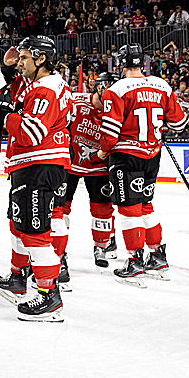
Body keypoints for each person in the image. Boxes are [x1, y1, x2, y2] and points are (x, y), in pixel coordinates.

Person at [0, 36, 72, 321]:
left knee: (35, 232)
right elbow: (21, 97)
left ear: (41, 59)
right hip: (37, 165)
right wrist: (7, 78)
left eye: (24, 58)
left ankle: (50, 298)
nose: (20, 63)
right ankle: (20, 279)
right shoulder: (47, 85)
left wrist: (4, 116)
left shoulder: (45, 91)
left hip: (40, 165)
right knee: (20, 225)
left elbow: (30, 133)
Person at [97, 44, 188, 286]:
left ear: (121, 64)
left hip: (126, 155)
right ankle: (157, 256)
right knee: (146, 205)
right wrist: (158, 129)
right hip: (152, 155)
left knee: (129, 210)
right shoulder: (162, 84)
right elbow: (179, 123)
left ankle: (134, 261)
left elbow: (110, 132)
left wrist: (102, 151)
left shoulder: (116, 90)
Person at [62, 72, 119, 276]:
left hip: (98, 168)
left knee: (102, 210)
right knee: (61, 208)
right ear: (98, 88)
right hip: (70, 165)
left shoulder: (116, 111)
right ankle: (58, 252)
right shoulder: (77, 102)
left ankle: (101, 247)